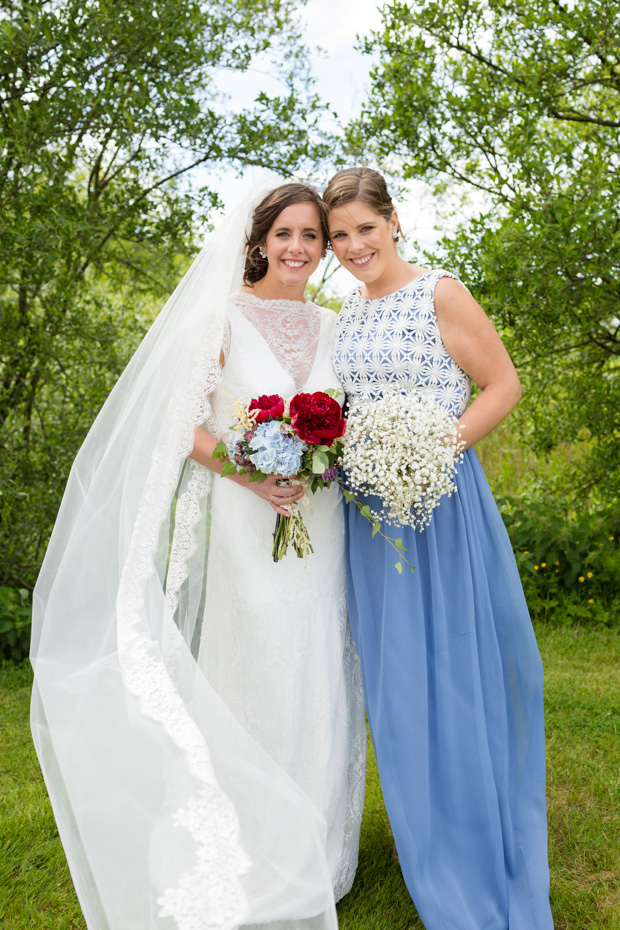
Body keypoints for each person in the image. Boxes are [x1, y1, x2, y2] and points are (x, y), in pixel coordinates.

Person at [30, 181, 365, 930]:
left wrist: (322, 465)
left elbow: (350, 421)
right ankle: (253, 840)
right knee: (262, 661)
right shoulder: (223, 317)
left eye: (311, 236)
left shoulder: (335, 325)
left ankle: (321, 846)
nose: (298, 249)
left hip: (322, 520)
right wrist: (256, 477)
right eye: (285, 234)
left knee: (319, 661)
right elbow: (184, 426)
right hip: (249, 524)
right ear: (257, 239)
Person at [323, 166, 554, 930]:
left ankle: (472, 839)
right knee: (396, 679)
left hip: (440, 506)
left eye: (365, 227)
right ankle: (427, 826)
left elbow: (503, 386)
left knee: (455, 670)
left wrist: (432, 447)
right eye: (338, 236)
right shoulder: (345, 316)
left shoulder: (439, 293)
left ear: (394, 220)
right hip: (367, 517)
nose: (354, 246)